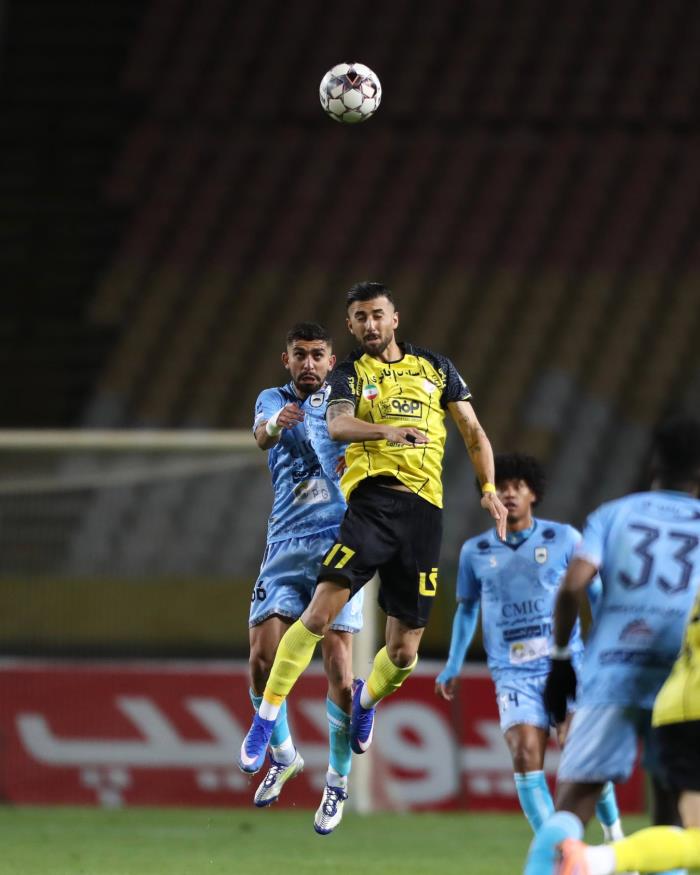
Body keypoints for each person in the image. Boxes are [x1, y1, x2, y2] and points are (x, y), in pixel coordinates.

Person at [239, 280, 507, 778]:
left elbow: (473, 431)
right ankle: (266, 724)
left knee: (402, 652)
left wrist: (488, 486)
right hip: (369, 508)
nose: (370, 324)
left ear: (394, 318)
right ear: (350, 325)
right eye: (360, 317)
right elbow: (336, 425)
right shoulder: (347, 375)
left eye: (377, 314)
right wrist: (387, 431)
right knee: (315, 618)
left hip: (424, 514)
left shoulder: (436, 367)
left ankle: (366, 703)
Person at [523, 416, 700, 875]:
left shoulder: (614, 514)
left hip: (612, 669)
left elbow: (572, 586)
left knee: (576, 797)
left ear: (654, 465)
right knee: (675, 814)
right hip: (680, 679)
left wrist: (561, 659)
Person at [435, 453, 625, 840]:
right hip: (512, 673)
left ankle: (614, 835)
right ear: (489, 496)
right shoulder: (474, 551)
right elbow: (467, 610)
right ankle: (558, 849)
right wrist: (453, 663)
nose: (508, 494)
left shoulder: (565, 538)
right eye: (501, 487)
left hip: (565, 663)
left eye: (517, 487)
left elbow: (597, 593)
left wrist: (605, 646)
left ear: (532, 493)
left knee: (579, 750)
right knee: (524, 754)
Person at [247, 321, 364, 835]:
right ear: (287, 359)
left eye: (318, 355)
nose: (310, 363)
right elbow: (261, 435)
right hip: (284, 546)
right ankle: (284, 755)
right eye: (301, 354)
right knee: (261, 659)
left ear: (331, 361)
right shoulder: (272, 399)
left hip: (338, 544)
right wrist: (276, 424)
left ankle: (337, 782)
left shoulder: (344, 402)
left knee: (338, 668)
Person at [555, 586, 700, 875]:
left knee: (695, 838)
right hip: (690, 709)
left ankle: (593, 860)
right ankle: (594, 861)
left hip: (677, 704)